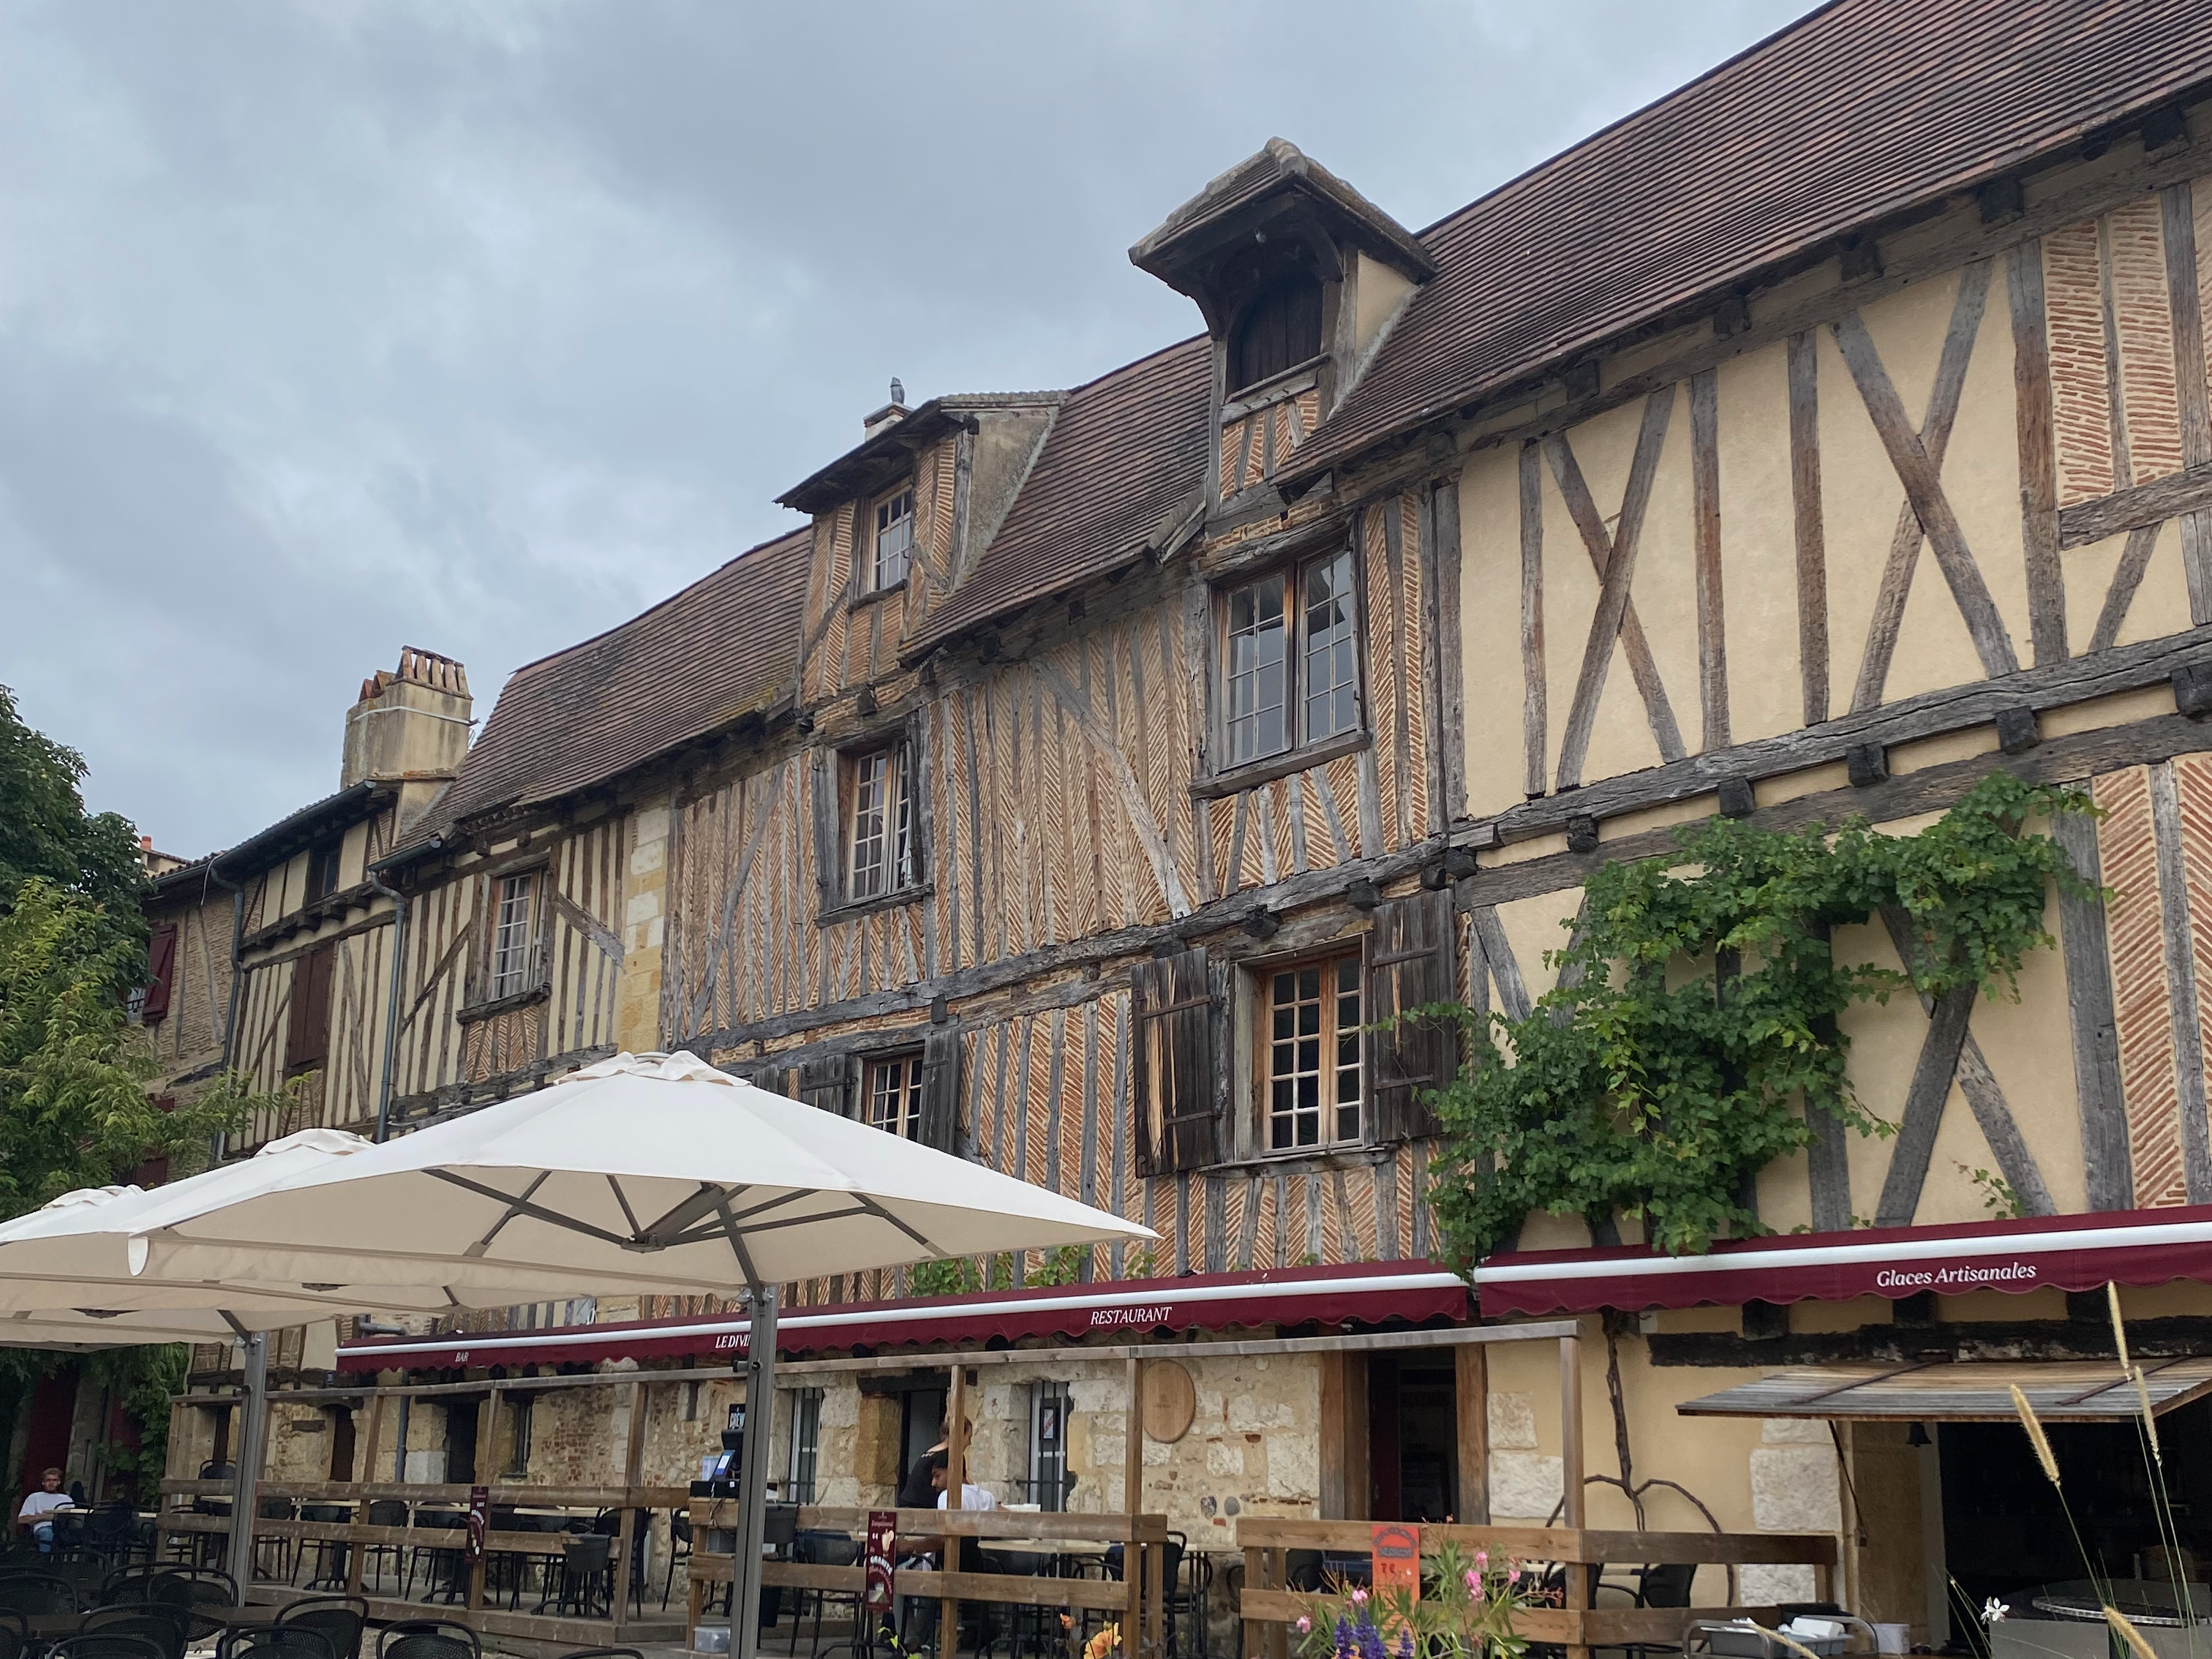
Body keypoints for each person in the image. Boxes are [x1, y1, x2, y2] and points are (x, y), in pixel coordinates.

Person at [17, 1468, 72, 1553]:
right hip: (43, 1528)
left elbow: (71, 1516)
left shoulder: (66, 1499)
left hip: (62, 1529)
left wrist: (41, 1516)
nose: (51, 1483)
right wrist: (46, 1517)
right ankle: (44, 1558)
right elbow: (21, 1519)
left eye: (54, 1480)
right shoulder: (34, 1497)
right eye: (48, 1480)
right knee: (47, 1533)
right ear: (43, 1482)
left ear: (59, 1482)